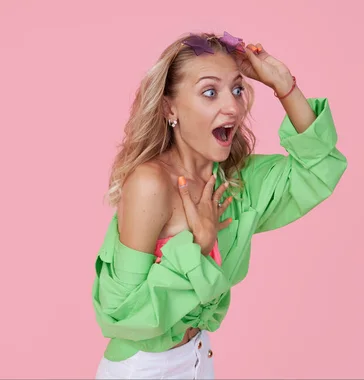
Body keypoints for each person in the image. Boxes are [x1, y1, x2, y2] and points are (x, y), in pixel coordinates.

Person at [91, 31, 347, 379]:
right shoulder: (151, 184)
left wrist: (284, 86)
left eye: (238, 89)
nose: (233, 106)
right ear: (170, 108)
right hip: (145, 368)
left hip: (199, 358)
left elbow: (319, 169)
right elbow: (120, 313)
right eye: (210, 92)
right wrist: (199, 247)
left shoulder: (237, 183)